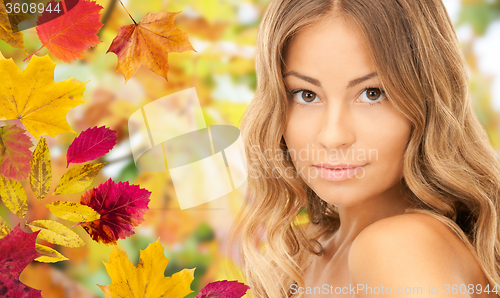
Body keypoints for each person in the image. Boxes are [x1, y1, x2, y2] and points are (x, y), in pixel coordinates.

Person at [226, 0, 500, 297]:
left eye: (372, 94)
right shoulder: (298, 257)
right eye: (306, 95)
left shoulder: (400, 248)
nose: (333, 136)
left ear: (427, 102)